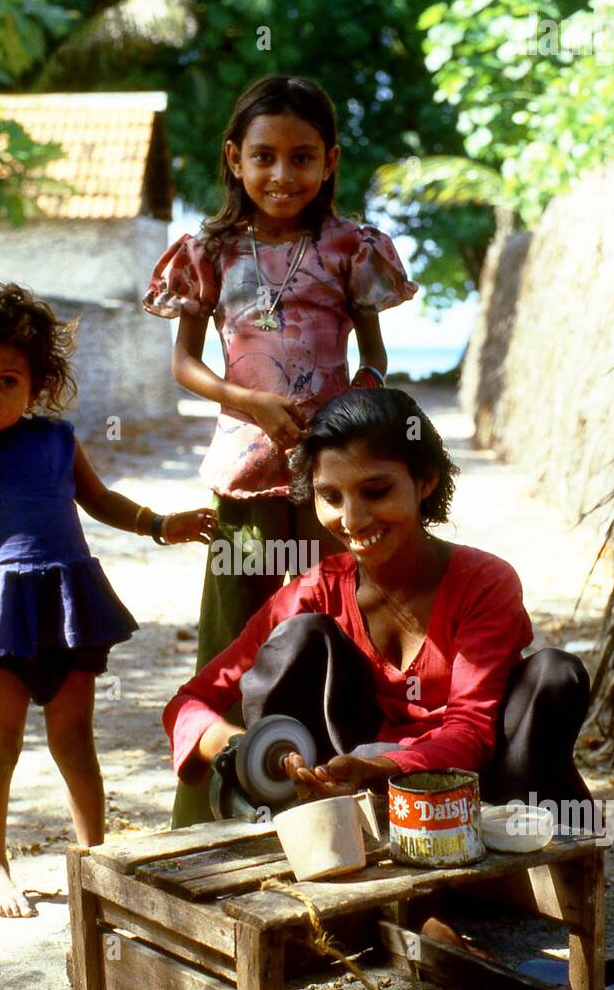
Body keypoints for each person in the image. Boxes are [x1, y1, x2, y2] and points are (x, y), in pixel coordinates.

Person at [144, 74, 419, 826]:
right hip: (245, 478)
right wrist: (245, 402)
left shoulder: (348, 248)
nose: (281, 175)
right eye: (263, 157)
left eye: (302, 158)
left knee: (335, 632)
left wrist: (349, 411)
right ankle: (204, 819)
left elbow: (374, 357)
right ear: (234, 158)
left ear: (329, 161)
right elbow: (185, 364)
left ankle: (332, 806)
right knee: (233, 643)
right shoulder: (208, 251)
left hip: (333, 488)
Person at [0, 283, 218, 918]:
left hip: (67, 603)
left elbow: (98, 500)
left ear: (36, 386)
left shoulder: (56, 440)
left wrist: (159, 523)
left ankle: (97, 857)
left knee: (75, 737)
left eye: (6, 380)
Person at [163, 387, 594, 819]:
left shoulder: (484, 583)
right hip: (346, 792)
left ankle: (536, 854)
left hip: (483, 788)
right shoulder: (316, 593)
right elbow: (189, 702)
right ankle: (307, 828)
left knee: (554, 675)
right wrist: (241, 748)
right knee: (297, 639)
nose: (352, 519)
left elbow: (470, 731)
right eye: (331, 497)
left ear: (425, 481)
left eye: (375, 491)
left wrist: (381, 768)